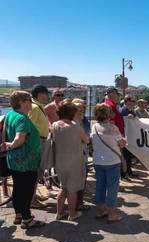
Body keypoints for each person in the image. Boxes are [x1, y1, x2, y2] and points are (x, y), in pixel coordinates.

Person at [2, 91, 45, 229]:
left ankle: (18, 214)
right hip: (26, 162)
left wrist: (7, 146)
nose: (31, 103)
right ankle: (27, 219)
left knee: (18, 188)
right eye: (29, 100)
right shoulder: (22, 118)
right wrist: (10, 145)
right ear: (23, 102)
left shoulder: (10, 114)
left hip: (15, 160)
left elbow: (5, 134)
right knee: (26, 190)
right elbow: (19, 139)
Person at [53, 101, 90, 221]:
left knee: (63, 188)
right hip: (74, 161)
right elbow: (86, 140)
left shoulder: (55, 125)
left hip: (59, 161)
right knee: (72, 190)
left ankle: (59, 213)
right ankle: (72, 214)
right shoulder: (76, 126)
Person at [91, 104, 127, 223]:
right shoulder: (113, 128)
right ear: (108, 114)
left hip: (98, 161)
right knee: (112, 188)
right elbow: (122, 144)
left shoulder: (94, 126)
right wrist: (124, 140)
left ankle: (100, 210)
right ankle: (112, 214)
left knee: (100, 186)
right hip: (112, 161)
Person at [29, 84, 51, 209]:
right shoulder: (35, 108)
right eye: (45, 93)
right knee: (37, 171)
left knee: (39, 171)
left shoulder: (37, 106)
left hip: (40, 141)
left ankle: (34, 196)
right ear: (39, 94)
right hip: (38, 142)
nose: (47, 96)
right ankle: (32, 200)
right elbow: (30, 127)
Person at [71, 99, 91, 211]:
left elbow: (87, 138)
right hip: (75, 155)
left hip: (82, 154)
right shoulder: (71, 122)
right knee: (74, 182)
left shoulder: (84, 121)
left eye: (83, 109)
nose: (81, 111)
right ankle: (75, 205)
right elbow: (86, 139)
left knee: (82, 180)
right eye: (78, 110)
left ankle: (78, 202)